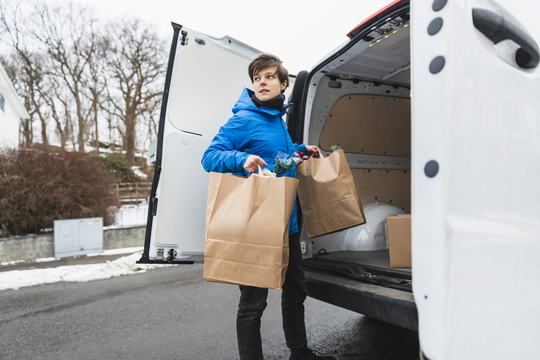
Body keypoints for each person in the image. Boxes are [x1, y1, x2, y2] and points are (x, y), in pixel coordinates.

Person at [201, 53, 335, 360]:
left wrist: (302, 152)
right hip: (258, 227)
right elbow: (209, 157)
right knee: (253, 305)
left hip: (287, 225)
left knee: (295, 292)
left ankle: (299, 353)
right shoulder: (244, 119)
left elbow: (279, 163)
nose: (262, 82)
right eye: (257, 78)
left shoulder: (278, 121)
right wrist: (240, 159)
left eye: (269, 77)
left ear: (283, 84)